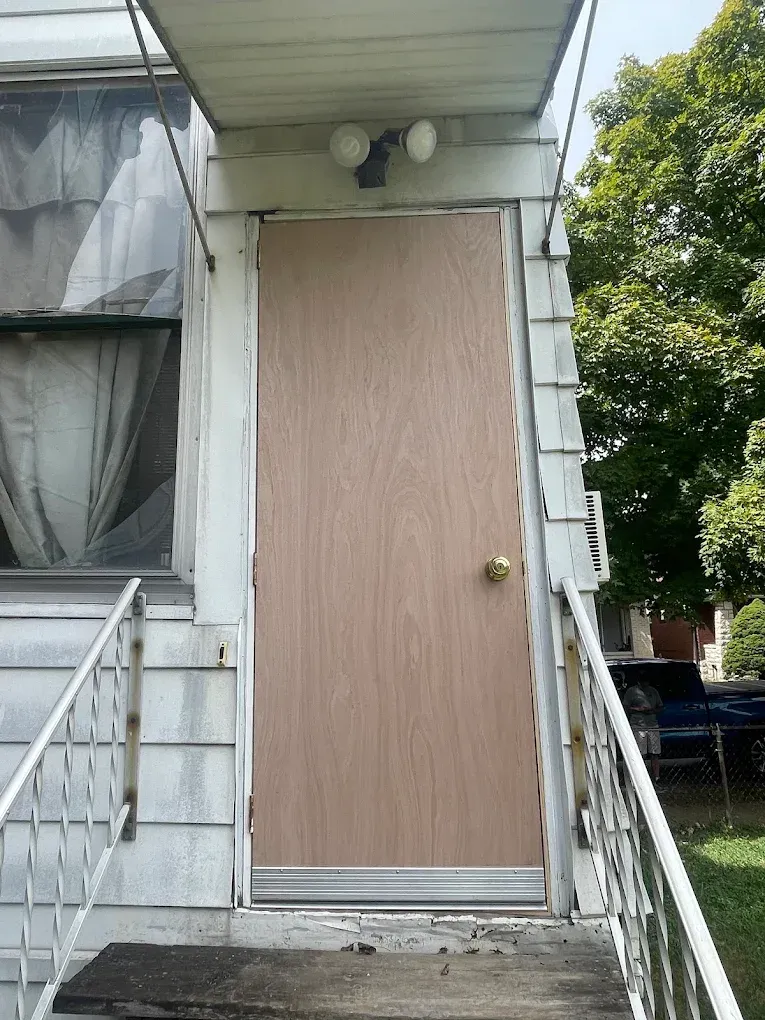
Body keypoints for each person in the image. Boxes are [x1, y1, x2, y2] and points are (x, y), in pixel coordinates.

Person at [623, 676, 664, 782]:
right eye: (643, 681)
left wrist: (651, 710)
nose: (645, 684)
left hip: (652, 725)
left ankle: (656, 777)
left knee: (655, 753)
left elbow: (660, 707)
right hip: (638, 725)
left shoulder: (653, 691)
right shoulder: (631, 691)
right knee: (641, 753)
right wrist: (637, 709)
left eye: (646, 681)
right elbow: (625, 707)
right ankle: (641, 777)